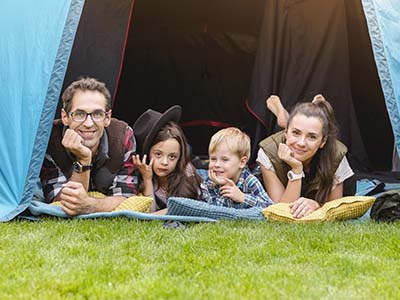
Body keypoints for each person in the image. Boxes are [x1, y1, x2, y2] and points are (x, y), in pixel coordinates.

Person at [40, 77, 138, 215]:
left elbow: (127, 197)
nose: (88, 123)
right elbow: (61, 201)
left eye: (97, 114)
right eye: (79, 114)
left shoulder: (123, 136)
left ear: (107, 118)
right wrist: (83, 159)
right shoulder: (50, 139)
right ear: (65, 117)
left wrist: (90, 205)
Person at [257, 95, 354, 218]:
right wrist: (297, 170)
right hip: (289, 184)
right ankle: (288, 118)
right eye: (296, 133)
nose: (301, 143)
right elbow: (281, 211)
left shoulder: (336, 154)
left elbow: (334, 209)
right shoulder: (268, 151)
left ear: (323, 142)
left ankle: (301, 116)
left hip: (330, 185)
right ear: (286, 133)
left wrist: (316, 205)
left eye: (312, 137)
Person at [133, 105, 202, 214]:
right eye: (158, 154)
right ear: (147, 154)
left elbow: (184, 208)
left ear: (180, 157)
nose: (165, 162)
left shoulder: (186, 172)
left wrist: (153, 216)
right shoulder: (140, 175)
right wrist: (147, 179)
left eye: (172, 157)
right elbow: (150, 210)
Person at [201, 127, 272, 208]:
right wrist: (221, 185)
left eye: (225, 160)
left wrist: (242, 197)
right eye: (213, 159)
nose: (217, 164)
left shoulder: (250, 182)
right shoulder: (209, 182)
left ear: (242, 162)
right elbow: (212, 210)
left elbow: (269, 207)